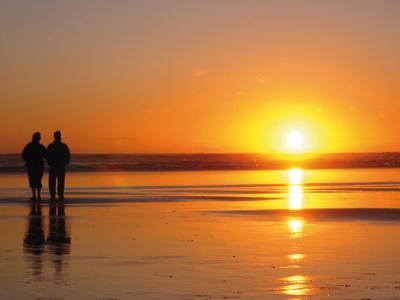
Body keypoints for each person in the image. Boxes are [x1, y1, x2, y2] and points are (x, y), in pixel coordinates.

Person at [46, 131, 70, 200]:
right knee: (60, 182)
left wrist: (50, 163)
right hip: (59, 166)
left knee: (52, 182)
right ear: (59, 137)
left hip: (54, 166)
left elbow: (47, 156)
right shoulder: (63, 146)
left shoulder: (51, 146)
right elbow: (67, 156)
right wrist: (64, 163)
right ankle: (60, 195)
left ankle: (53, 195)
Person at [22, 132, 47, 200]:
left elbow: (24, 155)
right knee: (38, 180)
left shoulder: (29, 146)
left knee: (33, 180)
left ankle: (35, 195)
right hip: (38, 166)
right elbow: (46, 155)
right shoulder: (41, 147)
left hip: (32, 165)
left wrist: (27, 161)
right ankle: (37, 195)